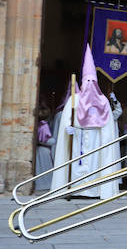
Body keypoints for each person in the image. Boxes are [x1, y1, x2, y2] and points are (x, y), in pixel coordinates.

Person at [50, 45, 122, 199]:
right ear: (83, 82)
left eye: (92, 81)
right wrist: (68, 127)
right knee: (77, 164)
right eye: (87, 81)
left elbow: (108, 126)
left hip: (97, 141)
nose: (89, 84)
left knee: (95, 165)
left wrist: (105, 137)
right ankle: (74, 189)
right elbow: (67, 119)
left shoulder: (103, 101)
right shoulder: (74, 99)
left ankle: (95, 190)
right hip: (78, 138)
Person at [34, 103, 56, 191]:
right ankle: (46, 185)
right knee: (45, 169)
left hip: (39, 149)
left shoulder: (39, 125)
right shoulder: (44, 126)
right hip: (44, 150)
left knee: (40, 168)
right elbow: (49, 141)